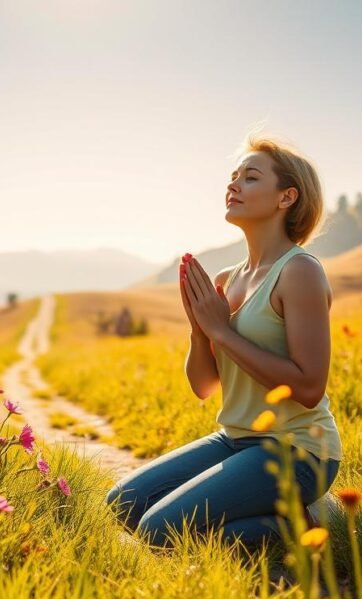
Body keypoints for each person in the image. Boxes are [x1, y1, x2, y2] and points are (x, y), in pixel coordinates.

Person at [105, 132, 343, 550]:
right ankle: (276, 513)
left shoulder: (300, 272)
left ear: (286, 198)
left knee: (158, 530)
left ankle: (315, 521)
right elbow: (204, 386)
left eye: (250, 177)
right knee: (123, 502)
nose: (233, 185)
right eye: (234, 176)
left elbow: (308, 388)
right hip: (235, 439)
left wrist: (221, 331)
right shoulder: (226, 280)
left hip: (299, 452)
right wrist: (200, 330)